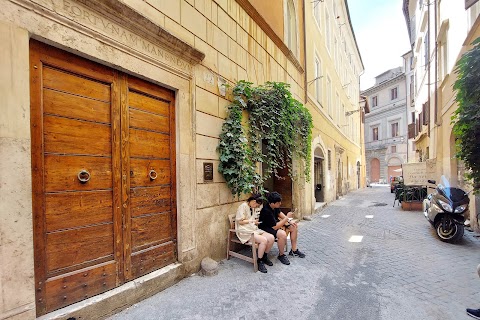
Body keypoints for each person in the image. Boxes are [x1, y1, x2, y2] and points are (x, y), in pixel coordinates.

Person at [259, 191, 306, 265]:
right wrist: (287, 217)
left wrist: (290, 221)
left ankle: (294, 250)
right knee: (282, 234)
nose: (280, 204)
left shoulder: (275, 206)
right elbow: (275, 227)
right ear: (272, 203)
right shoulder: (266, 210)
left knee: (293, 227)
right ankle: (281, 255)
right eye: (278, 203)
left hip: (275, 224)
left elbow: (280, 214)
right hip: (266, 227)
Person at [235, 194, 275, 273]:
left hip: (252, 229)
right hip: (244, 231)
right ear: (253, 201)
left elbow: (252, 219)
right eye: (256, 204)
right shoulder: (243, 206)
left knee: (271, 238)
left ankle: (264, 256)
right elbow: (240, 221)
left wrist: (255, 222)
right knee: (263, 240)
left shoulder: (251, 207)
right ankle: (259, 261)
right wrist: (251, 221)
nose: (256, 206)